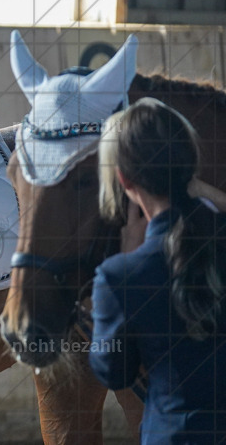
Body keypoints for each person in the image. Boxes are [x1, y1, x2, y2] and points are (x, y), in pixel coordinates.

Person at [91, 98, 226, 443]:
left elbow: (113, 372)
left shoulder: (119, 277)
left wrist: (127, 260)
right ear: (190, 162)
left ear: (124, 180)